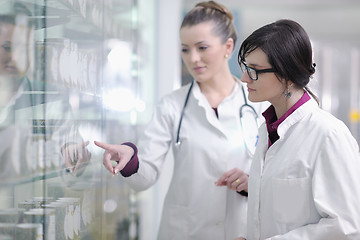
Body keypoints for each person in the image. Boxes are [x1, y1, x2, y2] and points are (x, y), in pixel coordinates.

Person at [94, 1, 264, 239]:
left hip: (240, 230)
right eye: (185, 49)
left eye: (202, 47)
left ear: (228, 47)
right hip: (185, 231)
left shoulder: (259, 105)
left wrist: (253, 183)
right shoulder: (172, 106)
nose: (193, 58)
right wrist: (131, 159)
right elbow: (146, 174)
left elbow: (278, 176)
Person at [234, 19, 360, 239]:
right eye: (245, 67)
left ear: (286, 75)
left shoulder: (329, 135)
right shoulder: (268, 130)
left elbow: (347, 226)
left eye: (254, 70)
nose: (245, 78)